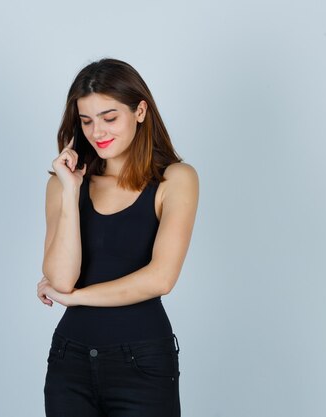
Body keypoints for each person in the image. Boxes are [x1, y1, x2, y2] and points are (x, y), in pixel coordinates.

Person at [36, 58, 199, 417]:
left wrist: (76, 297)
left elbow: (161, 278)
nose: (98, 132)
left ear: (140, 110)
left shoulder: (175, 180)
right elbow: (61, 276)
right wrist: (69, 191)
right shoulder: (62, 184)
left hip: (142, 363)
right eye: (87, 120)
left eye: (109, 118)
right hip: (70, 361)